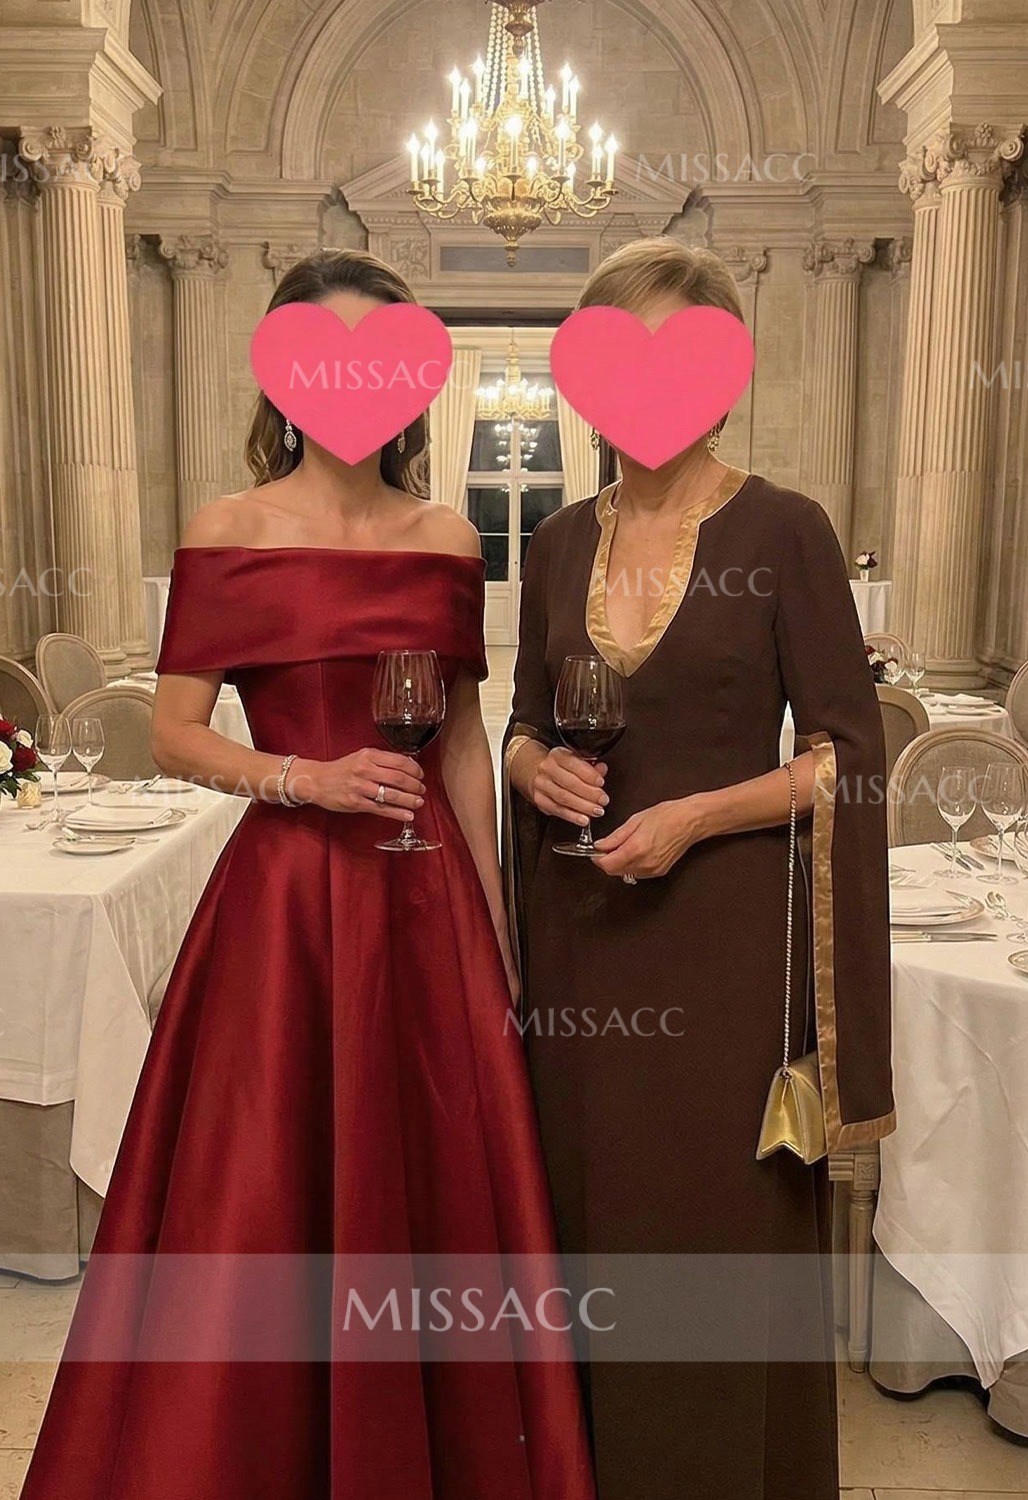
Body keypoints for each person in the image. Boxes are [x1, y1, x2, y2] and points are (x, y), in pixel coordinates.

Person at [20, 249, 595, 1500]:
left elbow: (459, 746)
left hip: (426, 904)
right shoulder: (228, 530)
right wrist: (300, 778)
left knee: (432, 1185)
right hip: (282, 907)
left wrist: (499, 937)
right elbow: (174, 732)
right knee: (261, 1184)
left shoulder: (445, 538)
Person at [503, 236, 895, 1500]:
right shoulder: (555, 543)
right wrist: (530, 769)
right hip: (579, 934)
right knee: (589, 1216)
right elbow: (519, 720)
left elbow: (846, 756)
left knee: (707, 1220)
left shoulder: (783, 529)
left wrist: (698, 816)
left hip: (723, 944)